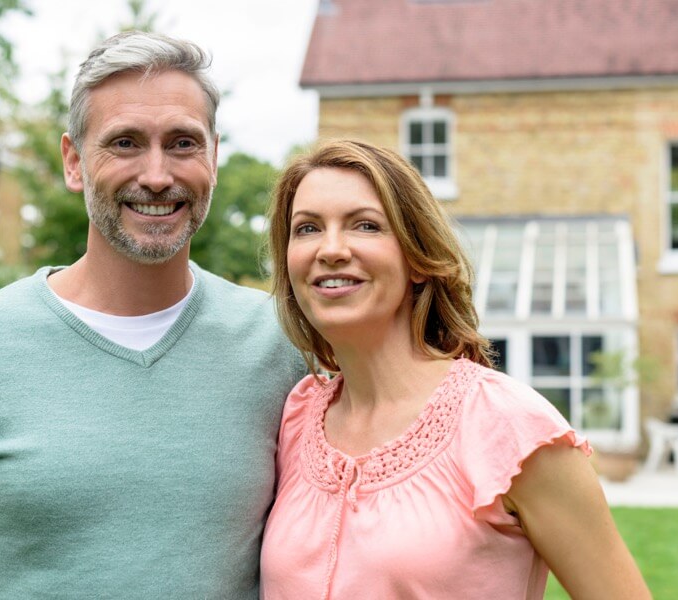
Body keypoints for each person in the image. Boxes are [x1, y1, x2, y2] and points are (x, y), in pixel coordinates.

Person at [0, 31, 306, 599]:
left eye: (182, 143)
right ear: (74, 162)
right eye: (125, 143)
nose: (157, 175)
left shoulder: (283, 346)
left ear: (213, 158)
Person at [259, 139, 650, 599]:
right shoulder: (295, 417)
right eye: (306, 229)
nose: (331, 249)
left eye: (365, 225)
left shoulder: (511, 427)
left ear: (417, 258)